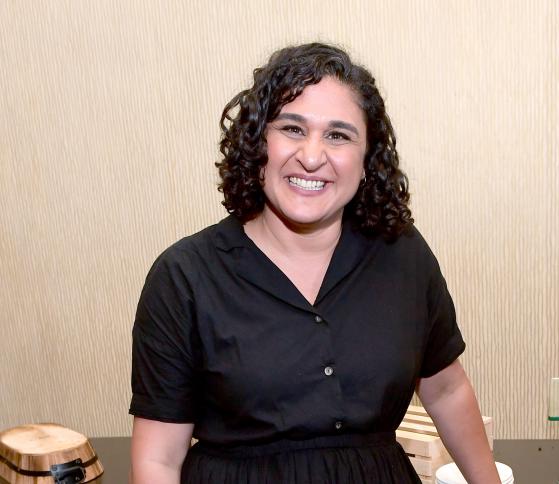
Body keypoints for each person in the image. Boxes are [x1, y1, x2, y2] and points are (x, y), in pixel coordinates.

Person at [129, 42, 500, 484]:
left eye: (338, 135)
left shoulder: (403, 255)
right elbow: (158, 460)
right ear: (257, 143)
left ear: (367, 159)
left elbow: (447, 390)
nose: (311, 156)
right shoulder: (184, 278)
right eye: (292, 128)